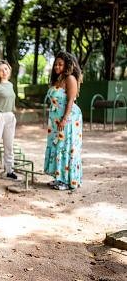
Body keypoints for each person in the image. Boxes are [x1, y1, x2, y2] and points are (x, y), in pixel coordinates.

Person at [44, 51, 83, 190]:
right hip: (56, 119)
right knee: (57, 147)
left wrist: (64, 119)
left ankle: (67, 181)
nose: (57, 66)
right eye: (56, 64)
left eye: (60, 64)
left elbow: (71, 100)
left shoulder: (70, 79)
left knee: (66, 147)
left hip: (69, 118)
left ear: (67, 65)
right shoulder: (58, 79)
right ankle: (59, 177)